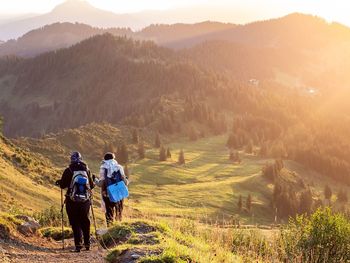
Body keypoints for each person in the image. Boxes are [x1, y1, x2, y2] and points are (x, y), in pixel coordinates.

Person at [56, 152, 94, 253]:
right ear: (81, 159)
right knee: (85, 221)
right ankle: (87, 244)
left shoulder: (68, 170)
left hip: (71, 200)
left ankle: (78, 246)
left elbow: (63, 185)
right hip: (85, 201)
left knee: (75, 222)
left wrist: (60, 182)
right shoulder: (87, 169)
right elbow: (92, 185)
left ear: (71, 159)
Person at [94, 152, 128, 226]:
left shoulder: (103, 168)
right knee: (119, 210)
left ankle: (110, 227)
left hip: (107, 193)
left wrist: (95, 180)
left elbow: (100, 184)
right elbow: (125, 182)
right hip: (119, 192)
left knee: (109, 211)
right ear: (113, 159)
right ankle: (119, 226)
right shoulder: (119, 167)